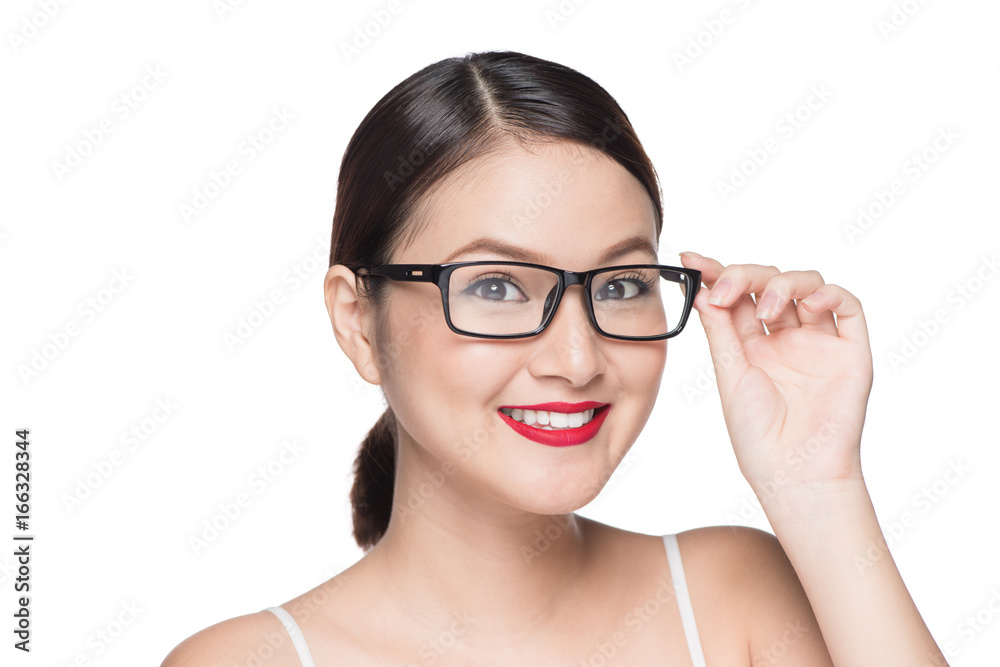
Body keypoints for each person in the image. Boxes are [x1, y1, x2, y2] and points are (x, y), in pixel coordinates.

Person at [162, 50, 947, 666]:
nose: (576, 358)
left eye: (621, 284)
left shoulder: (734, 596)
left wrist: (817, 483)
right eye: (497, 285)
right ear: (358, 321)